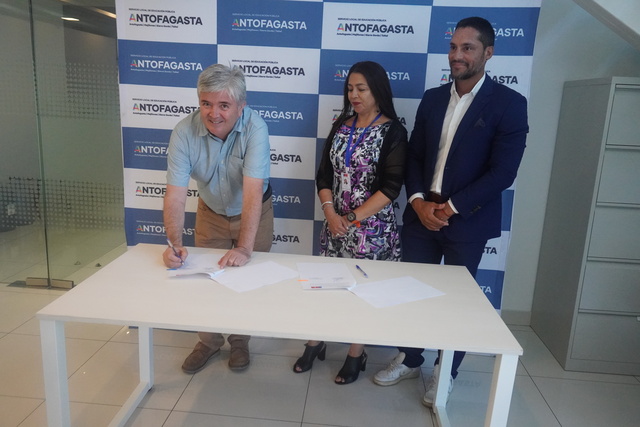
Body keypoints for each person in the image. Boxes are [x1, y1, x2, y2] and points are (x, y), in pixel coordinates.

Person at [373, 17, 529, 407]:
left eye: (467, 48)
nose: (457, 55)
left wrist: (450, 208)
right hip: (421, 214)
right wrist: (418, 202)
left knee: (458, 303)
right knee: (412, 294)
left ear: (488, 53)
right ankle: (410, 359)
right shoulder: (432, 98)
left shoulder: (510, 104)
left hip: (468, 220)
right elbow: (414, 156)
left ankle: (447, 371)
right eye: (453, 47)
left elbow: (503, 173)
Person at [292, 61, 408, 384]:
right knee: (327, 287)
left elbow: (391, 188)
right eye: (349, 89)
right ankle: (316, 340)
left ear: (378, 91)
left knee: (363, 293)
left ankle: (357, 351)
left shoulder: (394, 132)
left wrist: (352, 218)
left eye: (361, 89)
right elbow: (323, 175)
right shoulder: (341, 125)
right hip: (335, 228)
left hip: (372, 231)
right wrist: (331, 215)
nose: (353, 95)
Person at [162, 64, 273, 374]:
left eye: (224, 105)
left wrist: (245, 248)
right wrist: (174, 244)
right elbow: (175, 194)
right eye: (206, 103)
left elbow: (252, 193)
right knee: (205, 281)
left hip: (254, 212)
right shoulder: (184, 131)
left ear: (241, 106)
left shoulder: (256, 128)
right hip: (210, 212)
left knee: (245, 280)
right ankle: (209, 342)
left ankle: (239, 341)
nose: (214, 113)